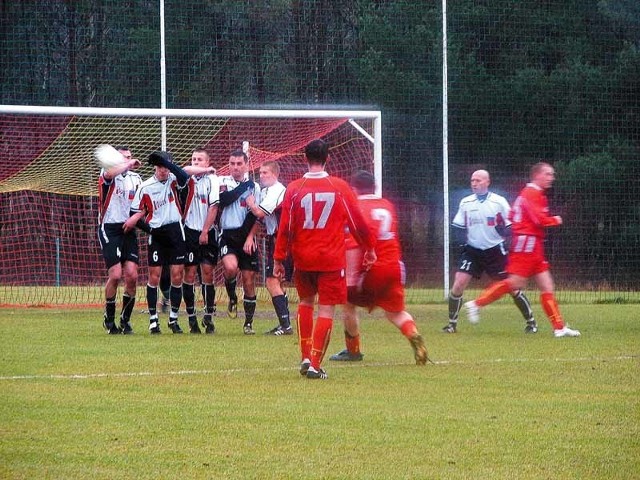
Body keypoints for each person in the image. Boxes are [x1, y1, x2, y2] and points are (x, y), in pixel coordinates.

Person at [273, 139, 377, 380]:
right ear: (328, 158)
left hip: (303, 258)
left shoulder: (294, 188)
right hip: (331, 259)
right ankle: (315, 365)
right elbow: (358, 223)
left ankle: (305, 356)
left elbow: (285, 228)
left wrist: (279, 259)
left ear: (305, 158)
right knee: (327, 309)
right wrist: (369, 248)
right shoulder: (339, 187)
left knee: (306, 303)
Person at [464, 162, 581, 338]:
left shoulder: (529, 193)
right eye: (548, 174)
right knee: (514, 284)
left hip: (533, 244)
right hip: (527, 245)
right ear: (537, 175)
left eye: (552, 174)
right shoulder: (533, 193)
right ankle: (476, 304)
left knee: (547, 285)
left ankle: (559, 327)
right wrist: (555, 220)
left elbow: (512, 216)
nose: (552, 178)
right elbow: (538, 220)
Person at [328, 170, 429, 365]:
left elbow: (354, 244)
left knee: (348, 304)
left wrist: (351, 277)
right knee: (395, 312)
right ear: (374, 187)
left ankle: (353, 351)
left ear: (353, 189)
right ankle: (413, 335)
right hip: (394, 266)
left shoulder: (356, 207)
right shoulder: (387, 205)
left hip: (371, 269)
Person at [125, 151, 212, 334]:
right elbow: (135, 213)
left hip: (175, 232)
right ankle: (153, 320)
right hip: (157, 234)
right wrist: (151, 230)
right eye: (160, 167)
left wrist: (168, 163)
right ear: (155, 168)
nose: (163, 171)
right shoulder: (145, 186)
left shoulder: (175, 180)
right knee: (154, 276)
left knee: (177, 275)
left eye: (166, 167)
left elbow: (184, 173)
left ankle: (173, 319)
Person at [442, 169, 536, 334]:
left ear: (487, 182)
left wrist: (503, 230)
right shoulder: (466, 202)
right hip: (472, 250)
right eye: (472, 181)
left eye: (478, 180)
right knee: (458, 284)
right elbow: (458, 225)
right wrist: (460, 244)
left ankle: (531, 322)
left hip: (495, 251)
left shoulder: (498, 201)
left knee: (511, 287)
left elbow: (510, 226)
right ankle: (451, 324)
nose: (474, 184)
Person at [245, 160, 293, 336]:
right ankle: (285, 323)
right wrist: (250, 236)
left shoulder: (276, 191)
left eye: (266, 173)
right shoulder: (267, 191)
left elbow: (259, 213)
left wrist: (250, 202)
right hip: (277, 238)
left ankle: (285, 325)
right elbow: (261, 219)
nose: (261, 176)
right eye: (260, 172)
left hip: (283, 239)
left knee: (271, 281)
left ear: (275, 174)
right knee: (278, 282)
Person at [97, 145, 142, 334]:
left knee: (132, 276)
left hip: (129, 228)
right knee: (115, 275)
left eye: (130, 157)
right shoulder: (108, 174)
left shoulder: (137, 179)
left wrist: (135, 219)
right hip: (110, 228)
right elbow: (109, 174)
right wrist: (128, 163)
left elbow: (143, 206)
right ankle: (109, 318)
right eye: (123, 158)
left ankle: (125, 320)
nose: (128, 160)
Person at [217, 149, 261, 335]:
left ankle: (248, 323)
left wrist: (250, 237)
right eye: (232, 164)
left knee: (249, 280)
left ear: (246, 164)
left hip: (246, 236)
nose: (235, 167)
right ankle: (232, 297)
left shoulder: (255, 188)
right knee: (230, 267)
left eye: (239, 164)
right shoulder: (222, 182)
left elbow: (258, 216)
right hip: (227, 234)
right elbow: (224, 200)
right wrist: (244, 186)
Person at [180, 148, 220, 334]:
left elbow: (214, 208)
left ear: (207, 162)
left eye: (200, 159)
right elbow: (185, 169)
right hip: (189, 232)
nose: (195, 162)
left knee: (207, 273)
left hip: (208, 231)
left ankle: (209, 316)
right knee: (188, 274)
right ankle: (191, 319)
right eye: (194, 159)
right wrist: (204, 169)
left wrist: (205, 231)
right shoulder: (187, 178)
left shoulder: (213, 179)